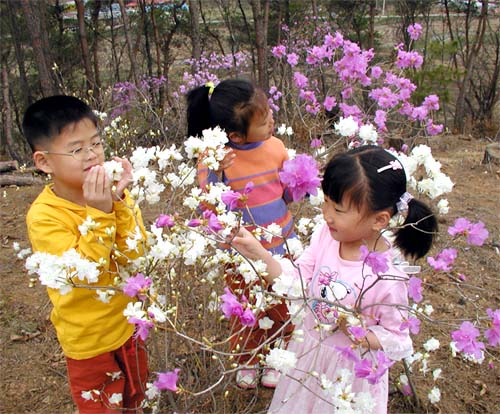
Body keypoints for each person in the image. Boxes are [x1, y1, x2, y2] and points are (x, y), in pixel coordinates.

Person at [232, 145, 438, 413]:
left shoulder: (388, 276)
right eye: (326, 201)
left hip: (350, 377)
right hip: (310, 359)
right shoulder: (326, 236)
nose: (326, 215)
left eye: (338, 210)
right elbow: (297, 280)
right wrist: (258, 253)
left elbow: (397, 338)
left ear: (380, 219)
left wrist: (360, 332)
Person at [23, 95, 148, 413]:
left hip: (129, 326)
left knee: (135, 399)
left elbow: (137, 255)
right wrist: (101, 213)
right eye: (77, 149)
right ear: (44, 162)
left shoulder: (115, 194)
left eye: (96, 143)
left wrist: (118, 204)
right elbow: (83, 274)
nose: (92, 155)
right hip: (89, 342)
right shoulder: (45, 216)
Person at [187, 79, 295, 389]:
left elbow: (286, 192)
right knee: (245, 308)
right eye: (263, 121)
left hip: (280, 245)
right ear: (235, 134)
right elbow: (208, 205)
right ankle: (248, 358)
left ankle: (277, 357)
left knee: (281, 305)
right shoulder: (215, 156)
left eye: (269, 112)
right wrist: (216, 171)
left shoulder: (276, 146)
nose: (271, 120)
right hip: (241, 253)